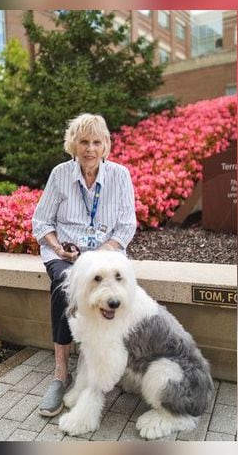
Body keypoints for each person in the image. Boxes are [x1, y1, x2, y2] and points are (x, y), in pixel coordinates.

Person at [31, 113, 137, 416]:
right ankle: (61, 375)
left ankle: (99, 367)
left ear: (105, 146)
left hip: (106, 254)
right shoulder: (60, 174)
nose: (90, 148)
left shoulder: (119, 176)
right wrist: (56, 246)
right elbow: (41, 221)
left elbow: (127, 226)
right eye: (83, 142)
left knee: (114, 291)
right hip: (65, 255)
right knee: (66, 286)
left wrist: (100, 254)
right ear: (73, 145)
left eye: (96, 142)